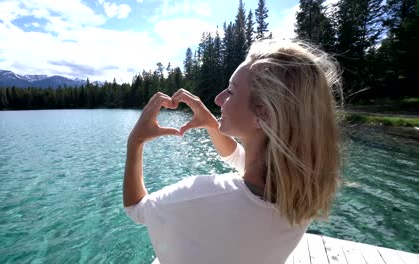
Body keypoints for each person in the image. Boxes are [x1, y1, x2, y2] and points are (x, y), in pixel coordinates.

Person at [123, 40, 342, 264]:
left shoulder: (200, 194)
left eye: (230, 91)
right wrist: (211, 122)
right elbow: (240, 159)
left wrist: (135, 140)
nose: (219, 99)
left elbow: (136, 208)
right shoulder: (304, 188)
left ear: (263, 114)